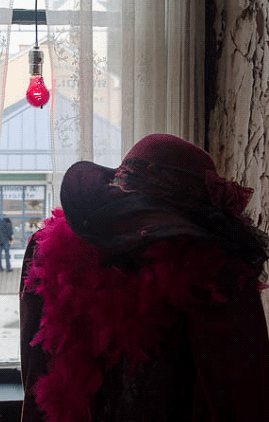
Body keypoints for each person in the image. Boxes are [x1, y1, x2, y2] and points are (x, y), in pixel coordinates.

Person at [20, 134, 269, 422]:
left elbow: (238, 398)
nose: (135, 234)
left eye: (148, 223)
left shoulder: (218, 283)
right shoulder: (58, 259)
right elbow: (39, 380)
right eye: (127, 215)